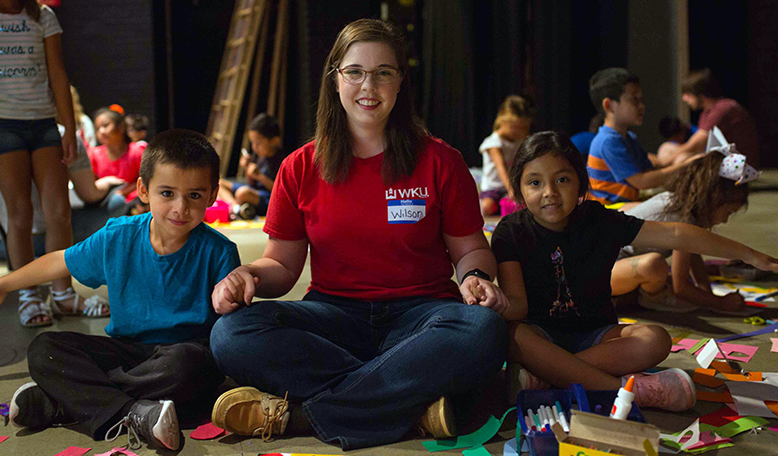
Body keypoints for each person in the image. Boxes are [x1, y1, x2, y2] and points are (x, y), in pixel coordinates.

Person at [208, 19, 508, 451]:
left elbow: (471, 249)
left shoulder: (441, 161)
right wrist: (247, 275)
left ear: (401, 82)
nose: (370, 85)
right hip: (334, 317)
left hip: (422, 318)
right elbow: (282, 265)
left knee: (482, 330)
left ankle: (300, 418)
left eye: (384, 72)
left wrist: (475, 276)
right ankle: (408, 399)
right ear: (335, 79)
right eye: (355, 72)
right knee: (230, 334)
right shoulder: (299, 166)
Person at [492, 131, 778, 412]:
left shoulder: (597, 219)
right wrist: (496, 302)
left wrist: (749, 254)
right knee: (515, 335)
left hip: (597, 335)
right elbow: (518, 306)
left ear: (580, 183)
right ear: (518, 188)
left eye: (562, 179)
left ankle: (548, 376)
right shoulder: (510, 232)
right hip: (541, 336)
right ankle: (629, 392)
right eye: (534, 182)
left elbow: (677, 234)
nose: (550, 192)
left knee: (655, 339)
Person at [1, 129, 241, 451]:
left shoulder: (219, 251)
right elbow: (61, 261)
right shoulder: (119, 235)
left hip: (180, 356)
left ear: (212, 196)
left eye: (194, 196)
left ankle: (65, 402)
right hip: (127, 352)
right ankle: (131, 412)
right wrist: (4, 284)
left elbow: (232, 323)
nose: (180, 208)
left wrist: (232, 298)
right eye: (167, 193)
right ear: (143, 190)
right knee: (44, 348)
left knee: (188, 366)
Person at [0, 0, 84, 326]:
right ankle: (28, 295)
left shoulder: (42, 15)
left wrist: (70, 127)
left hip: (44, 122)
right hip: (4, 124)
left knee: (59, 211)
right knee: (19, 213)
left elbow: (57, 72)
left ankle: (63, 295)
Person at [613, 135, 757, 313]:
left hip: (611, 267)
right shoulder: (683, 218)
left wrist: (706, 291)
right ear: (712, 200)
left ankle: (632, 296)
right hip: (598, 270)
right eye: (728, 212)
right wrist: (718, 303)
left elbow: (692, 254)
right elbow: (680, 287)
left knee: (661, 274)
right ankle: (647, 298)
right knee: (655, 266)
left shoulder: (680, 204)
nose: (725, 220)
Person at [586, 68, 693, 208]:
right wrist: (685, 165)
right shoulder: (607, 141)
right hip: (607, 208)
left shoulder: (628, 137)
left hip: (624, 204)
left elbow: (650, 170)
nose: (642, 106)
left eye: (641, 100)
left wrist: (686, 160)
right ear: (609, 105)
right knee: (672, 210)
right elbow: (642, 181)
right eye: (634, 100)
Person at [663, 69, 759, 167]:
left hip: (738, 166)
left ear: (699, 93)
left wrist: (664, 162)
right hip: (721, 160)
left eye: (687, 94)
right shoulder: (706, 113)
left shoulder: (723, 108)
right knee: (666, 148)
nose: (684, 98)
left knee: (682, 159)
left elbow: (695, 144)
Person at [217, 113, 284, 219]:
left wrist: (260, 177)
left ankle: (239, 209)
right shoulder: (259, 156)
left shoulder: (283, 160)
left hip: (270, 198)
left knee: (242, 193)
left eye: (258, 143)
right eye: (253, 143)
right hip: (255, 192)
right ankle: (236, 208)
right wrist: (248, 169)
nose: (254, 147)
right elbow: (252, 183)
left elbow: (281, 192)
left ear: (274, 141)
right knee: (219, 183)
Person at [479, 95, 534, 216]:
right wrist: (511, 188)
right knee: (486, 208)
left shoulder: (520, 141)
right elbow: (501, 167)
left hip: (512, 187)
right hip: (493, 188)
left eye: (523, 128)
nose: (521, 132)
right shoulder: (493, 143)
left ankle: (503, 206)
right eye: (517, 127)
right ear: (503, 122)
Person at [88, 107, 147, 204]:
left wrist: (123, 193)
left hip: (135, 203)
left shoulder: (137, 151)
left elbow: (147, 180)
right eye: (97, 128)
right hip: (105, 204)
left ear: (121, 127)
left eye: (105, 125)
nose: (101, 131)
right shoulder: (93, 154)